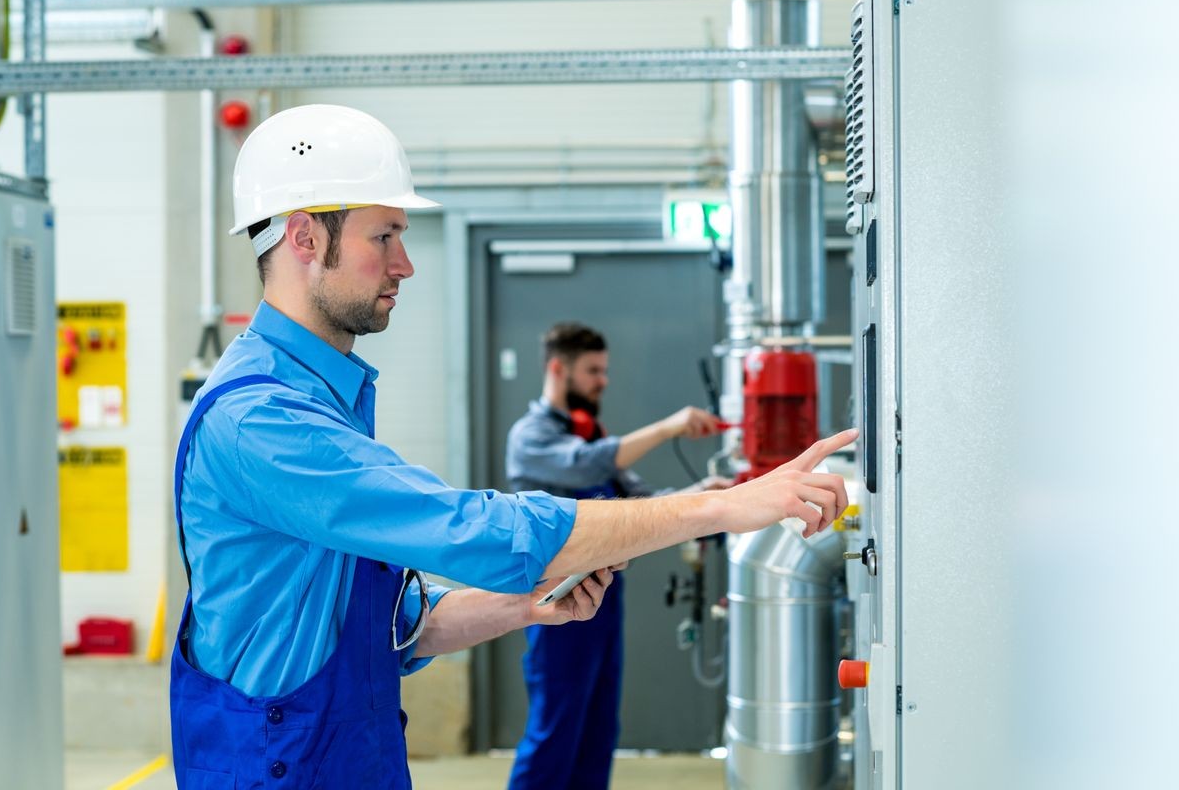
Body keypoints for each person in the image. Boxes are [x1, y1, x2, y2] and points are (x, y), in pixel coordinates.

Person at [170, 103, 856, 789]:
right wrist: (725, 508)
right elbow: (473, 529)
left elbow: (395, 630)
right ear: (303, 237)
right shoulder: (262, 418)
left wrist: (531, 604)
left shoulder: (320, 398)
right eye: (384, 236)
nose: (403, 264)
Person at [505, 322, 732, 790]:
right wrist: (669, 426)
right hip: (555, 607)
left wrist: (703, 498)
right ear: (557, 369)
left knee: (598, 731)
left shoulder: (592, 436)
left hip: (604, 602)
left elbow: (641, 505)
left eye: (604, 370)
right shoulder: (531, 438)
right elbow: (589, 465)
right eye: (592, 371)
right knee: (555, 731)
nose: (602, 381)